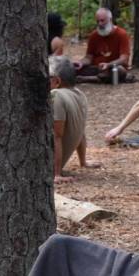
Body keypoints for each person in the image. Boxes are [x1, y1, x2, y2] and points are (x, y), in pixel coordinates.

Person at [49, 56, 101, 184]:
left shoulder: (56, 96)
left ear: (56, 81)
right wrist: (83, 162)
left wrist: (56, 174)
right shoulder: (80, 94)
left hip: (47, 166)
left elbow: (57, 136)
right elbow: (81, 131)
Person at [74, 8, 131, 84]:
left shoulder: (121, 34)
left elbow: (124, 58)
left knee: (118, 70)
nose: (100, 24)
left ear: (110, 20)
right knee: (72, 69)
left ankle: (90, 79)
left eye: (102, 20)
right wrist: (81, 63)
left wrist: (108, 65)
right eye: (97, 21)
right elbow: (89, 57)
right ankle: (95, 78)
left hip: (112, 68)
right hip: (96, 68)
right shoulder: (94, 35)